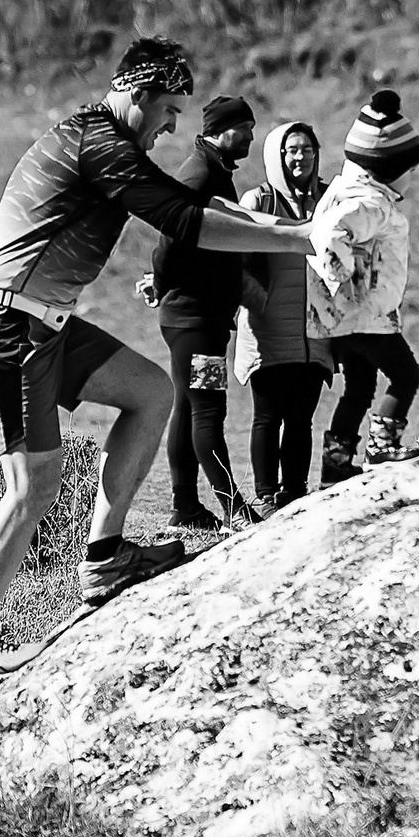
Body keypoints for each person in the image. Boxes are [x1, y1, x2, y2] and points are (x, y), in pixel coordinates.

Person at [0, 36, 317, 692]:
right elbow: (185, 222)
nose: (173, 126)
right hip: (7, 322)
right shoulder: (100, 146)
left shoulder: (111, 143)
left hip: (44, 322)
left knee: (150, 394)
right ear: (139, 95)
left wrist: (288, 235)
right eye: (170, 110)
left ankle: (106, 557)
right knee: (33, 485)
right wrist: (303, 237)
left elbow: (195, 211)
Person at [143, 93, 260, 529]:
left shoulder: (213, 170)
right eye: (242, 128)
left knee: (190, 407)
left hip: (196, 318)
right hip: (195, 320)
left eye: (251, 128)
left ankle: (186, 507)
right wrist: (162, 283)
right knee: (208, 409)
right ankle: (234, 510)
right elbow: (168, 238)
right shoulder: (200, 176)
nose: (249, 136)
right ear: (218, 131)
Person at [309, 90, 419, 484]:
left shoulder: (347, 191)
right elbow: (329, 235)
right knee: (405, 375)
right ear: (387, 167)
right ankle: (382, 448)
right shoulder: (371, 203)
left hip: (342, 318)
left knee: (359, 388)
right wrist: (344, 274)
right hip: (367, 316)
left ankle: (335, 466)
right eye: (409, 168)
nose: (412, 176)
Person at [236, 120, 332, 509]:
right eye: (292, 150)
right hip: (267, 328)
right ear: (277, 156)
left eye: (307, 150)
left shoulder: (329, 199)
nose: (300, 158)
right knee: (267, 416)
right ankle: (265, 496)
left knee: (301, 418)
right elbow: (238, 263)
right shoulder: (258, 201)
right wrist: (257, 303)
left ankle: (294, 494)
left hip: (314, 331)